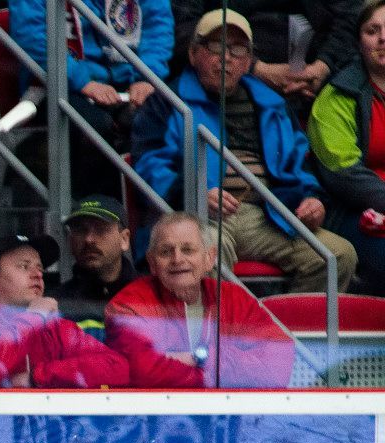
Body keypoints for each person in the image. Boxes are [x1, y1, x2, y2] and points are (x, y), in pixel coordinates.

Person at [132, 9, 359, 293]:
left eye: (238, 50)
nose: (226, 57)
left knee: (337, 255)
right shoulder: (166, 101)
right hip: (197, 216)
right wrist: (196, 193)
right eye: (216, 46)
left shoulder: (272, 104)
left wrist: (313, 200)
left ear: (249, 61)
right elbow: (149, 166)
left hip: (267, 214)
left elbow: (300, 163)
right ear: (193, 54)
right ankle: (219, 337)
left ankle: (284, 336)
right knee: (204, 256)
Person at [105, 211, 297, 385]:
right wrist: (226, 369)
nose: (177, 259)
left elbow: (278, 365)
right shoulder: (128, 305)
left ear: (209, 258)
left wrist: (202, 359)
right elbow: (143, 373)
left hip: (231, 417)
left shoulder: (234, 298)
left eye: (188, 250)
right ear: (152, 262)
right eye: (166, 251)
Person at [11, 0, 172, 192]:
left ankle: (147, 213)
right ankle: (91, 212)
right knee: (94, 127)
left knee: (159, 118)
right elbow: (31, 36)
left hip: (129, 78)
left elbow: (158, 25)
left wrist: (147, 76)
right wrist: (82, 81)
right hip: (56, 83)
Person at [0, 234, 131, 387]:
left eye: (40, 268)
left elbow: (117, 367)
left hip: (46, 434)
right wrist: (33, 317)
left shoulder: (54, 327)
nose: (38, 274)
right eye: (24, 266)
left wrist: (39, 376)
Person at [307, 0, 385, 291]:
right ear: (359, 43)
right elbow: (344, 175)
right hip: (354, 211)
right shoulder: (338, 94)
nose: (382, 38)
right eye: (372, 30)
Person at [171, 0, 360, 103]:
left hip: (312, 78)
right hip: (232, 72)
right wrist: (254, 68)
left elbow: (351, 17)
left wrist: (322, 66)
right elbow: (184, 27)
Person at [54, 194, 140, 339]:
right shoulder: (56, 303)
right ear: (70, 241)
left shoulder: (151, 295)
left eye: (101, 229)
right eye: (81, 230)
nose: (89, 239)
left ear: (124, 239)